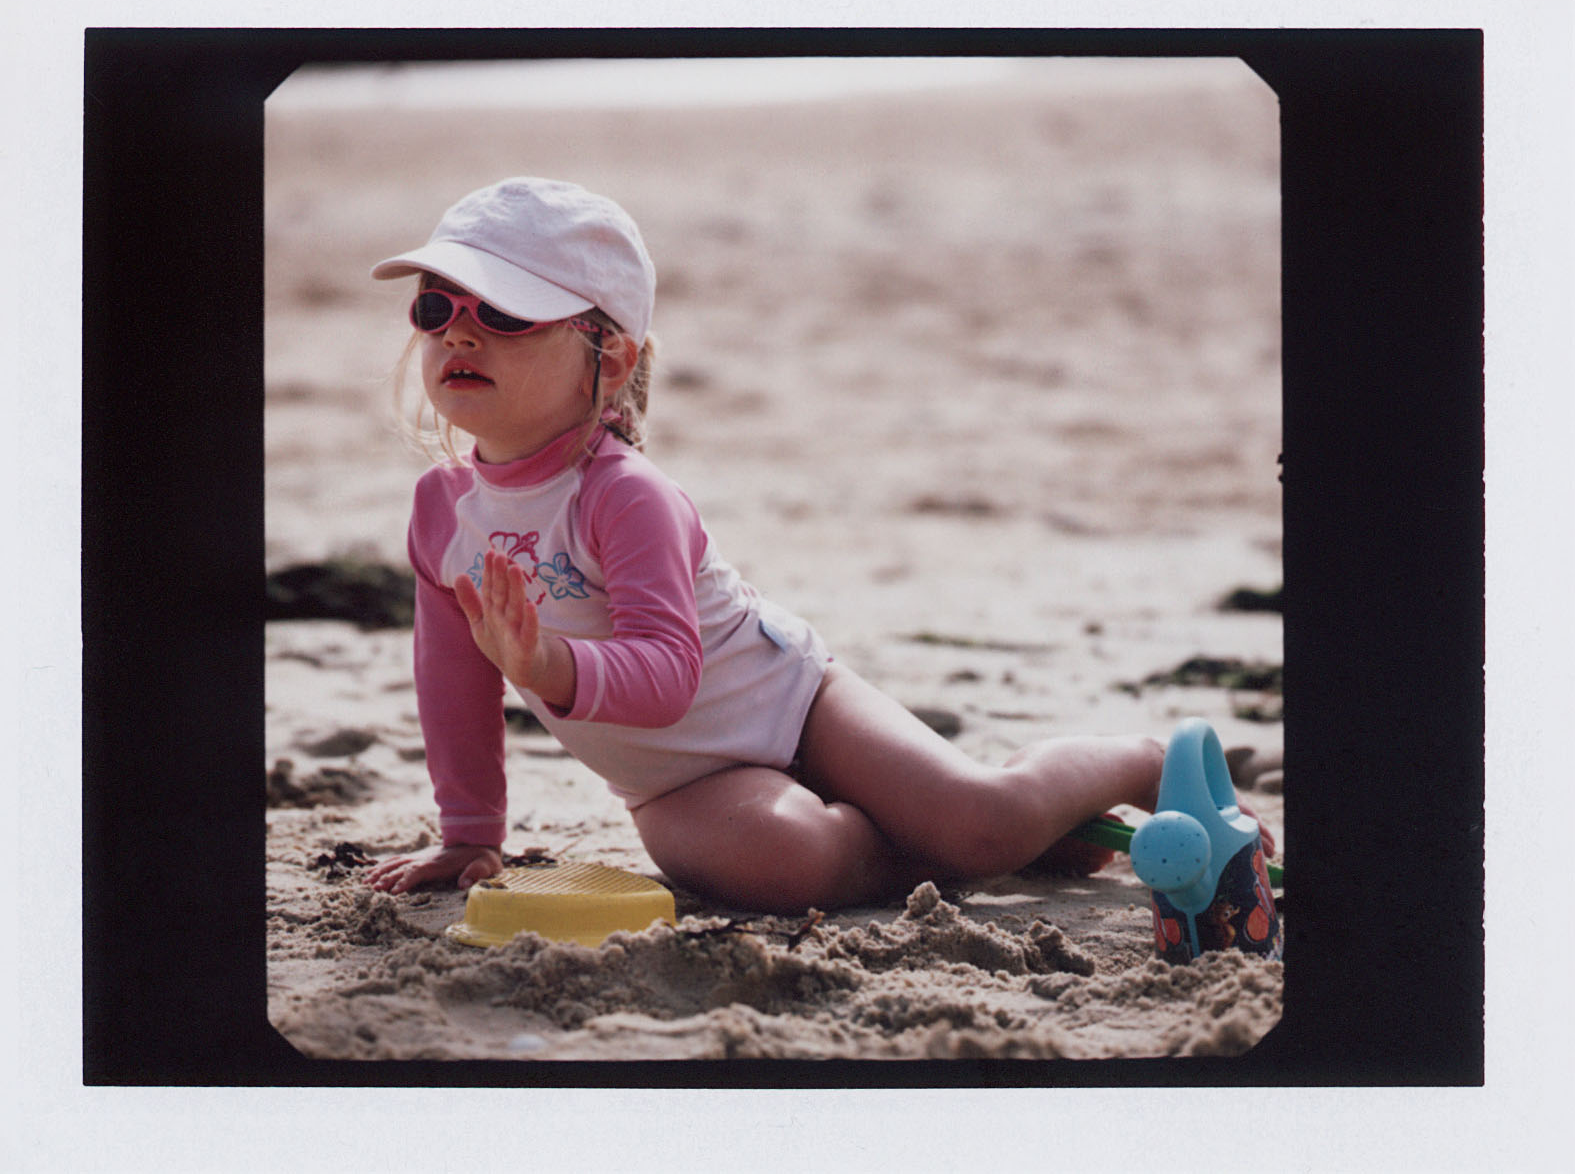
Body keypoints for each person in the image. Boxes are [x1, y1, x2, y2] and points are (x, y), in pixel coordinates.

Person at [364, 177, 1269, 914]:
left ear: (612, 358)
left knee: (981, 820)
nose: (459, 331)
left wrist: (548, 666)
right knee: (786, 867)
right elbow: (451, 681)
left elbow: (669, 671)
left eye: (507, 314)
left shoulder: (625, 494)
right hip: (675, 782)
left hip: (792, 701)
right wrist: (469, 833)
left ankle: (1136, 762)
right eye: (436, 306)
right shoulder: (442, 509)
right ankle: (972, 844)